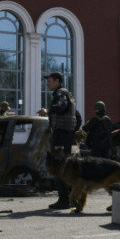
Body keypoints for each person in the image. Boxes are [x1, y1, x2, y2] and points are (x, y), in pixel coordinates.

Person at [38, 72, 78, 209]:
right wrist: (72, 132)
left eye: (49, 81)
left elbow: (61, 106)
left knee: (58, 166)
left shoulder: (60, 94)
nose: (47, 84)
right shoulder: (68, 94)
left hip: (61, 135)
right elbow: (78, 117)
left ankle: (64, 200)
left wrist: (47, 111)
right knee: (67, 166)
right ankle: (72, 198)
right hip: (66, 135)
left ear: (57, 81)